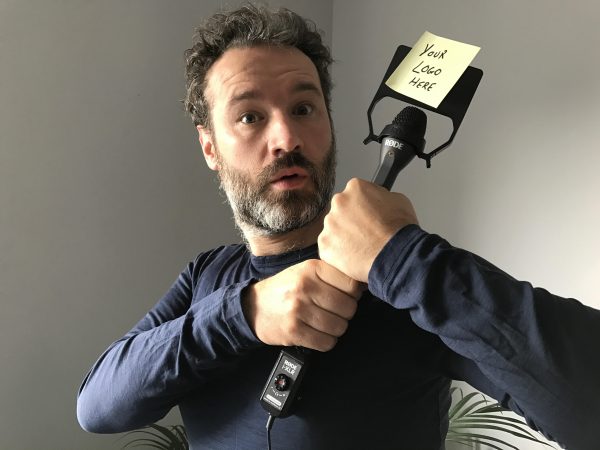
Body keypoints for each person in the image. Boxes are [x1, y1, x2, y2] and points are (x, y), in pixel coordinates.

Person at [77, 4, 599, 449]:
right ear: (209, 146)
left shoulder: (406, 285)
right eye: (250, 116)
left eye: (304, 108)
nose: (287, 137)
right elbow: (98, 407)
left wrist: (403, 260)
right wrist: (245, 313)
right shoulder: (206, 276)